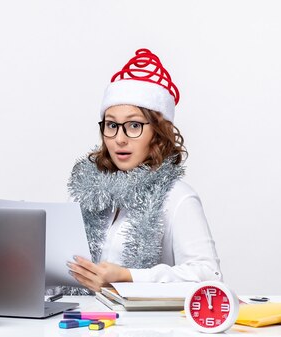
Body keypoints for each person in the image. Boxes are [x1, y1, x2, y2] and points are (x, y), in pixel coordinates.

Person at [66, 48, 222, 293]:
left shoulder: (177, 197)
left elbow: (208, 276)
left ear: (158, 134)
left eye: (134, 125)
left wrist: (128, 277)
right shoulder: (89, 196)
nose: (120, 138)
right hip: (86, 323)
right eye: (111, 125)